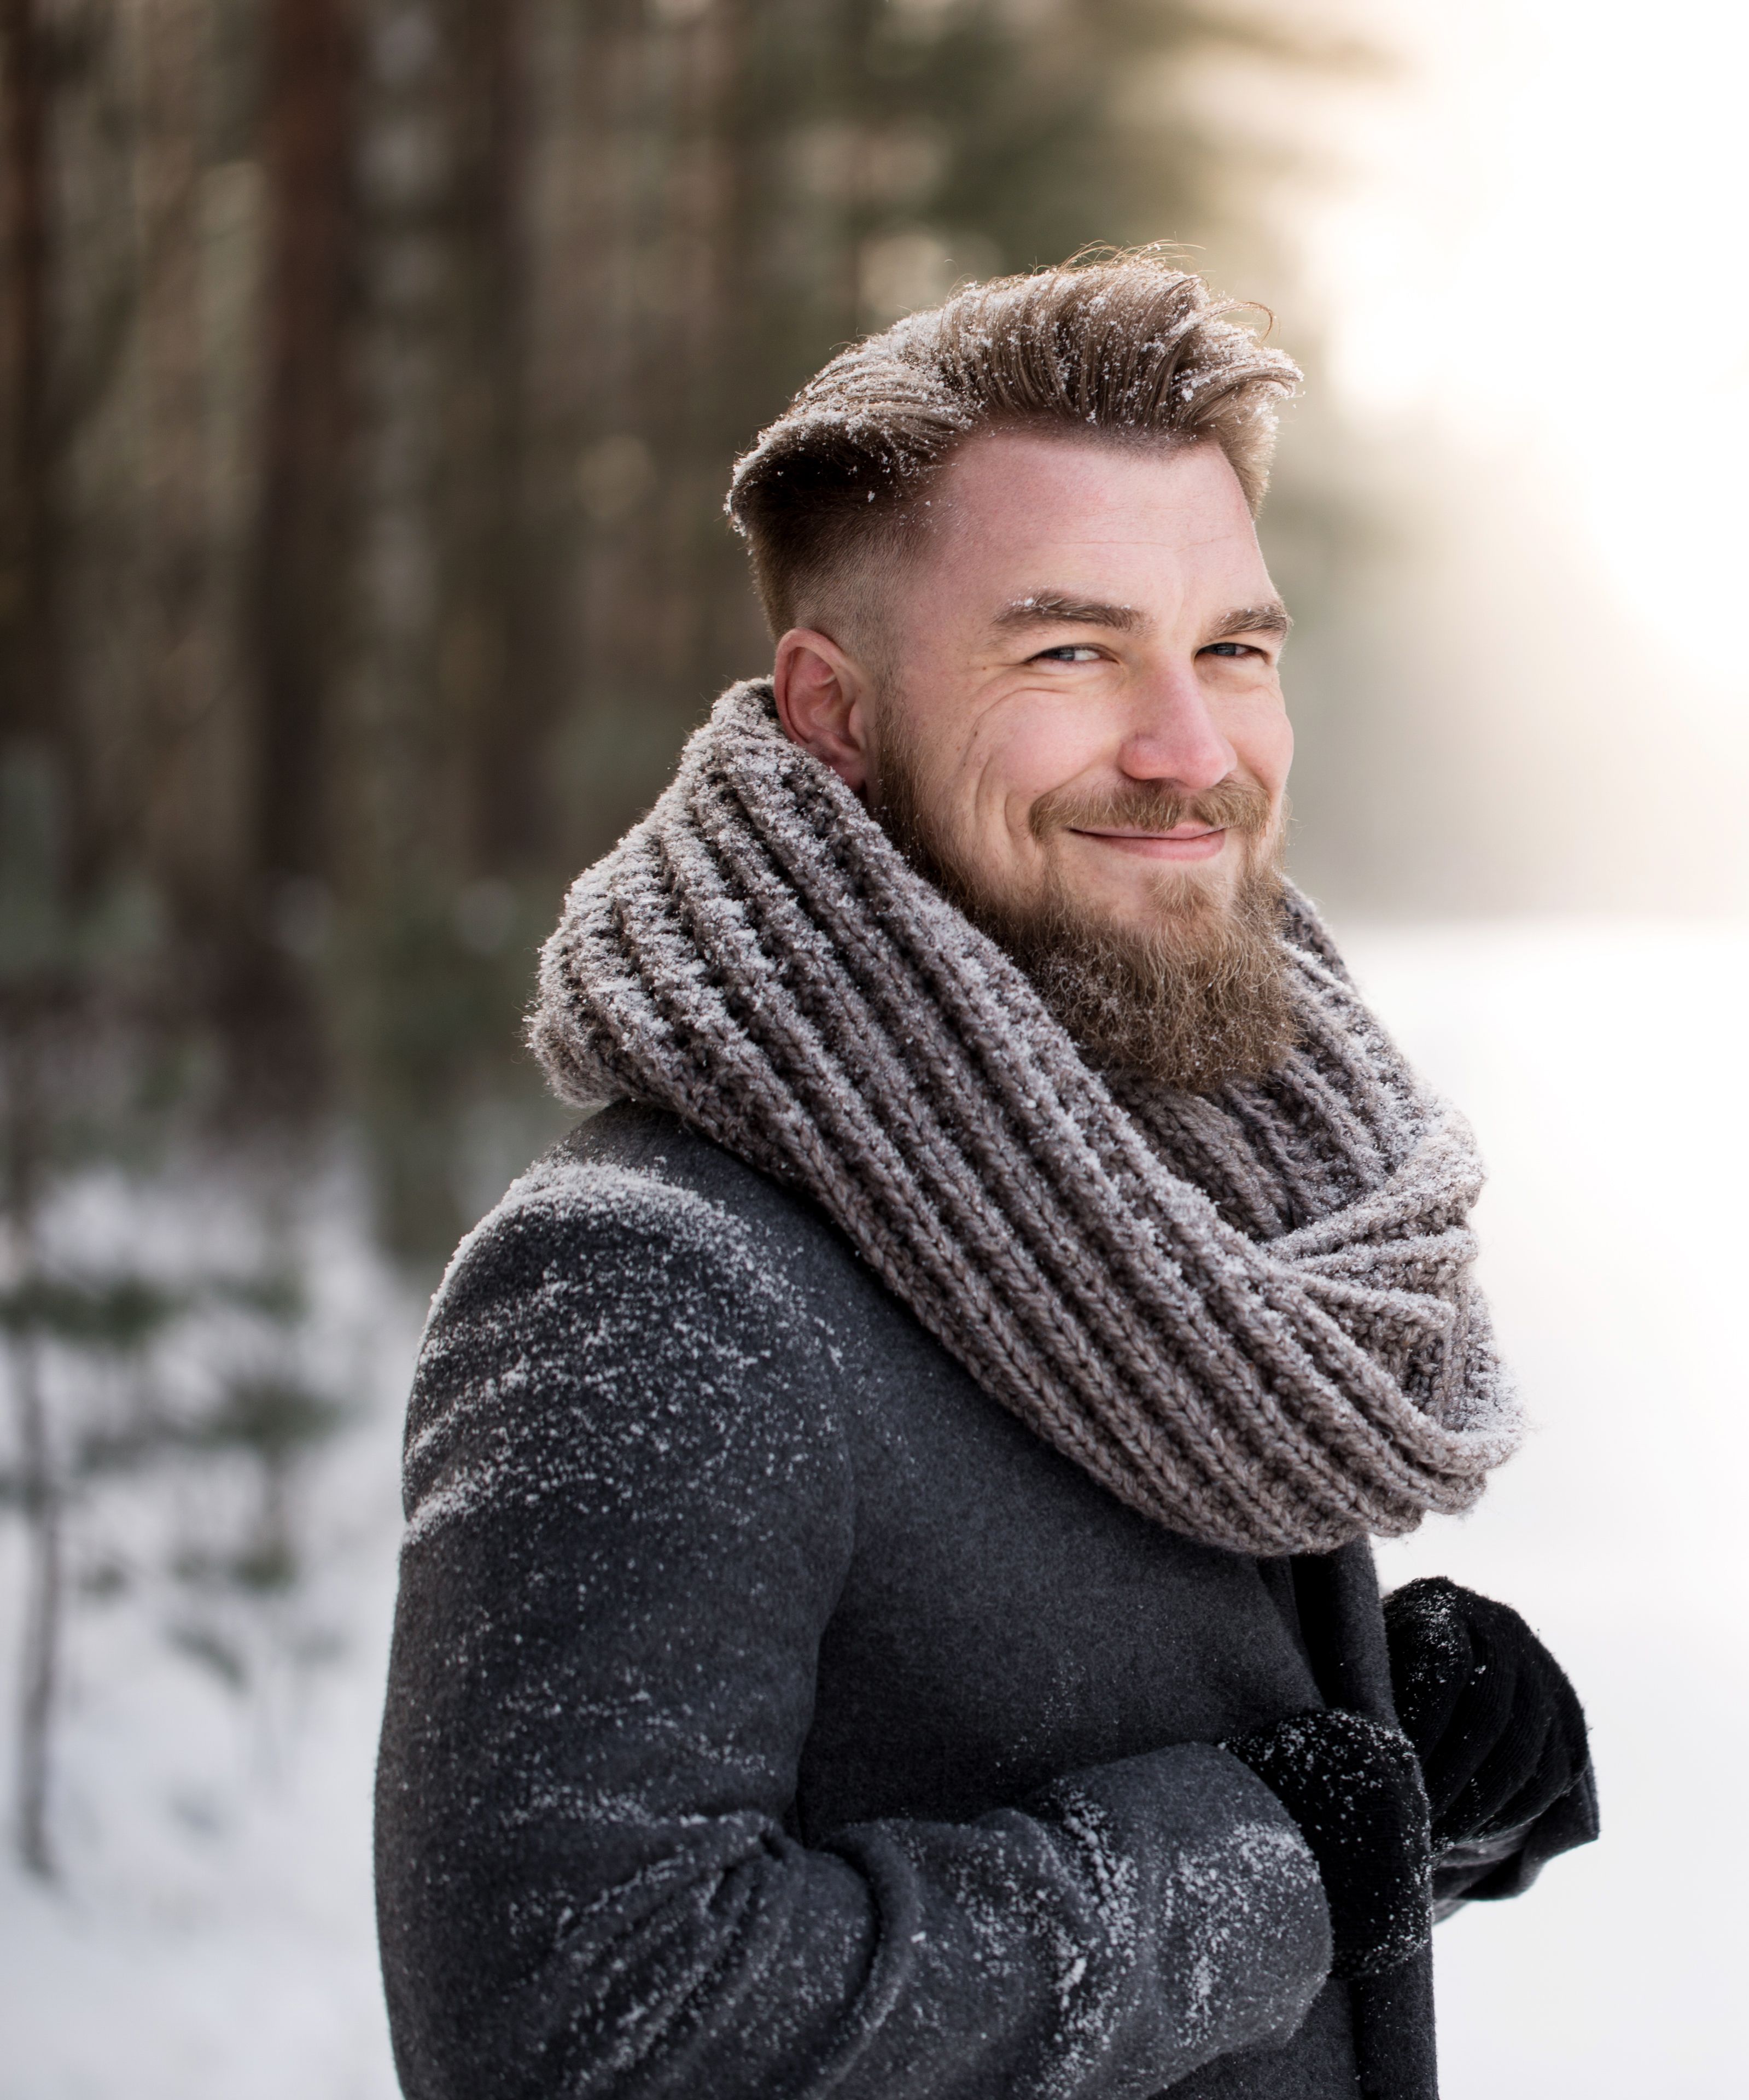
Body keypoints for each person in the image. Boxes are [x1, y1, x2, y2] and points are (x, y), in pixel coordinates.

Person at [372, 253, 1596, 2100]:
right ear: (833, 714)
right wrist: (1263, 1858)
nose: (1193, 753)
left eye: (1234, 650)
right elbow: (578, 2027)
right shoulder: (653, 1286)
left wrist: (1388, 1760)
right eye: (1070, 651)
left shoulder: (1171, 1187)